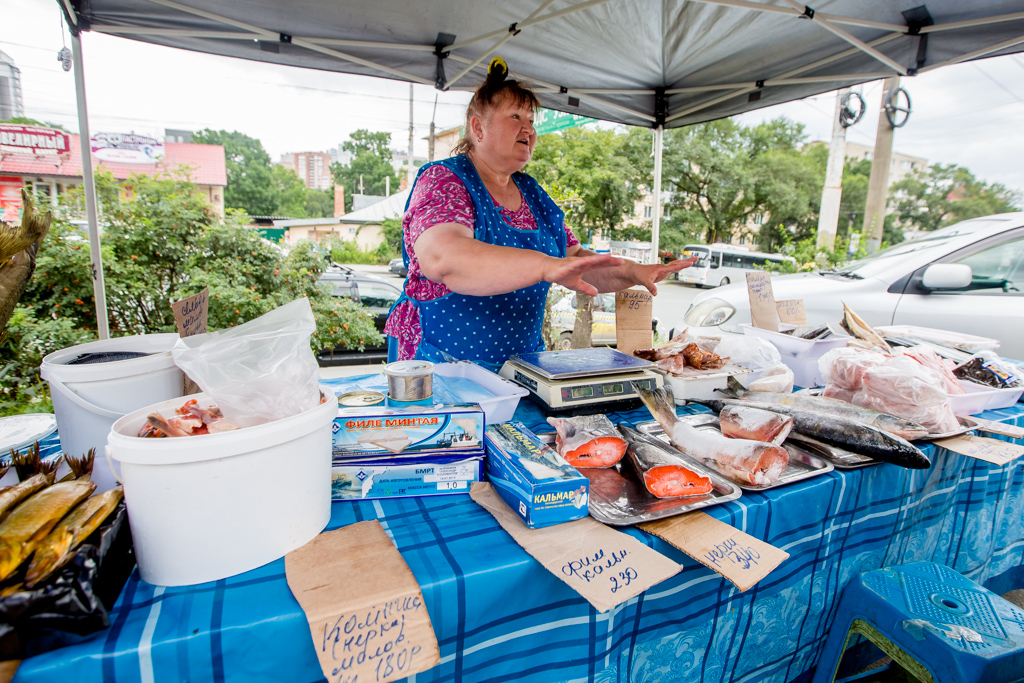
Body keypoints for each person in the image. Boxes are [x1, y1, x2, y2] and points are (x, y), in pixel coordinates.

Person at [384, 58, 697, 370]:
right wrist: (545, 265)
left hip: (521, 367)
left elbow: (575, 264)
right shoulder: (444, 180)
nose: (529, 129)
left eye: (532, 121)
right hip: (443, 368)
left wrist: (631, 272)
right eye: (516, 116)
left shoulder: (533, 194)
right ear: (478, 127)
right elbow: (445, 260)